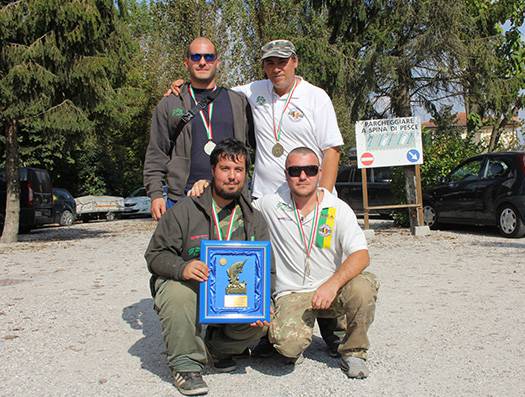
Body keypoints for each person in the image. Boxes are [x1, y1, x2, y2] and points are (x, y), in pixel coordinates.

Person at [173, 39, 345, 354]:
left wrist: (325, 197)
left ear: (295, 61)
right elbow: (214, 87)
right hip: (268, 199)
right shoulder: (254, 90)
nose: (276, 68)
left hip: (312, 196)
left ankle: (333, 330)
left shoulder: (316, 97)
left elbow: (331, 149)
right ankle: (266, 332)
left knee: (323, 256)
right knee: (275, 262)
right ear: (264, 66)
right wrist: (185, 87)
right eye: (270, 63)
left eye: (282, 61)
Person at [144, 139, 268, 396]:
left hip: (232, 293)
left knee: (263, 317)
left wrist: (265, 302)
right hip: (193, 288)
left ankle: (219, 348)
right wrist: (182, 267)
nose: (232, 176)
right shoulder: (183, 211)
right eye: (225, 168)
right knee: (177, 294)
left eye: (239, 170)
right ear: (212, 170)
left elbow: (268, 270)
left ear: (246, 174)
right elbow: (155, 255)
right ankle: (185, 364)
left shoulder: (255, 219)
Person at [253, 147, 379, 378]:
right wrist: (204, 187)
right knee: (287, 347)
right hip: (292, 292)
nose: (303, 176)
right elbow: (233, 203)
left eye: (310, 170)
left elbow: (361, 255)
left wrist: (332, 285)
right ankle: (320, 329)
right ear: (286, 173)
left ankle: (353, 352)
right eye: (295, 170)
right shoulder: (269, 204)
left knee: (363, 287)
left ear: (320, 172)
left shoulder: (337, 208)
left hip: (330, 289)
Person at [143, 37, 254, 221]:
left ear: (217, 62)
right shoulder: (170, 103)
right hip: (182, 199)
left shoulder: (238, 101)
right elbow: (157, 152)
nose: (203, 62)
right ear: (186, 62)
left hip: (232, 199)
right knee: (182, 251)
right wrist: (155, 194)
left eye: (209, 57)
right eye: (196, 57)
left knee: (230, 250)